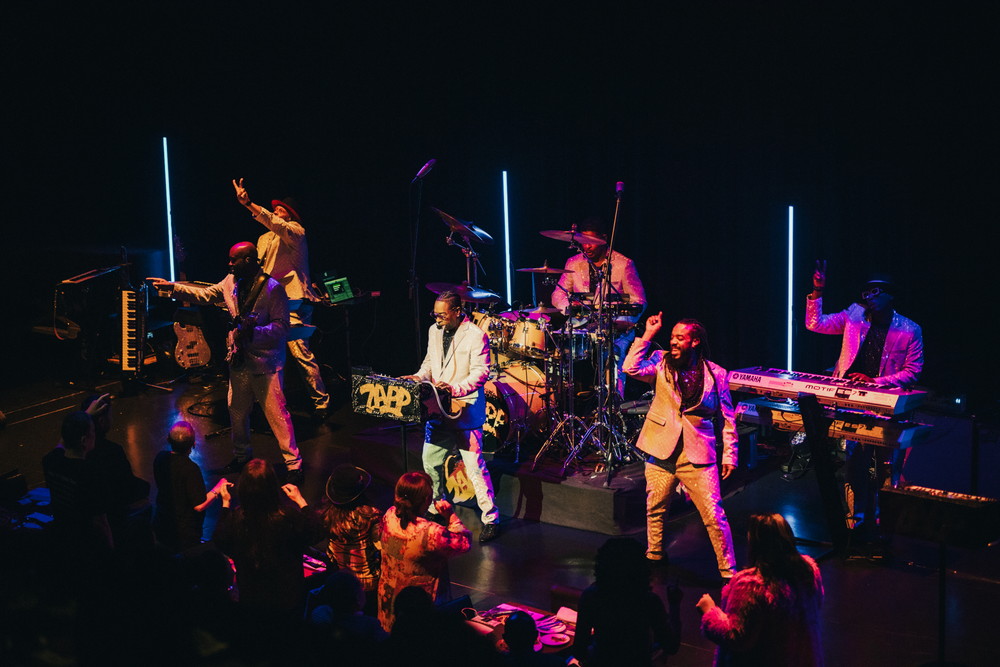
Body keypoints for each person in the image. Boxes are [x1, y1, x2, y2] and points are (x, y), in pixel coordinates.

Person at [150, 242, 303, 483]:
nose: (229, 264)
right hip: (239, 360)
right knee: (237, 412)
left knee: (277, 416)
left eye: (234, 260)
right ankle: (242, 456)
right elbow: (206, 295)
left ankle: (294, 465)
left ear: (249, 260)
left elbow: (282, 327)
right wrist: (173, 288)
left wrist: (253, 333)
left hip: (265, 363)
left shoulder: (273, 289)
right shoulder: (230, 281)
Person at [805, 262, 924, 532]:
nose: (869, 297)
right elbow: (815, 324)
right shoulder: (854, 315)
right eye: (866, 292)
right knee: (855, 464)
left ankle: (886, 522)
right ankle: (855, 523)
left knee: (888, 467)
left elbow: (912, 371)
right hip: (854, 402)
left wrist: (876, 382)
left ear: (890, 295)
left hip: (888, 406)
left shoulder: (909, 329)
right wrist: (817, 290)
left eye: (876, 292)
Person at [623, 315, 738, 578]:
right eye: (672, 337)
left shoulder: (716, 374)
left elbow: (727, 417)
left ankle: (729, 570)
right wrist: (648, 334)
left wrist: (730, 455)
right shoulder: (660, 361)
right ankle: (654, 555)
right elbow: (630, 368)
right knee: (655, 506)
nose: (673, 342)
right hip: (661, 449)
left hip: (698, 453)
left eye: (680, 338)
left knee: (714, 514)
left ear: (695, 342)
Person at [401, 290, 501, 543]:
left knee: (474, 467)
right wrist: (417, 377)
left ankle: (491, 518)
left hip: (464, 410)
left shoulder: (476, 335)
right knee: (430, 462)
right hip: (438, 409)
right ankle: (437, 506)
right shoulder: (434, 330)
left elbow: (481, 373)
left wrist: (454, 389)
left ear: (457, 311)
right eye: (435, 314)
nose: (438, 319)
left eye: (442, 315)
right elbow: (429, 363)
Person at [232, 179, 331, 419]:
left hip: (294, 300)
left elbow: (274, 222)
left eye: (281, 209)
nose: (276, 211)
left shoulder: (296, 232)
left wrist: (249, 204)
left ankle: (321, 401)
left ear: (291, 215)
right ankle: (268, 402)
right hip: (271, 300)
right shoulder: (264, 239)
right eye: (275, 208)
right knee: (266, 352)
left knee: (300, 352)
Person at [697, 513, 824, 666]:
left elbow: (737, 637)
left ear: (756, 543)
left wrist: (709, 611)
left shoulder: (751, 585)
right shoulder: (809, 571)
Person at [212, 458, 323, 616]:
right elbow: (316, 533)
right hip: (288, 596)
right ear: (272, 486)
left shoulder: (235, 519)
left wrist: (225, 504)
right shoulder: (288, 517)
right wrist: (301, 501)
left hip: (252, 596)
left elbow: (220, 541)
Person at [550, 217, 647, 396]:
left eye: (591, 242)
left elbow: (638, 301)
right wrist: (573, 310)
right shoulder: (573, 263)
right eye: (583, 242)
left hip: (615, 331)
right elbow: (557, 295)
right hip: (581, 328)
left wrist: (620, 323)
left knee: (612, 354)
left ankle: (613, 402)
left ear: (603, 239)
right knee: (559, 350)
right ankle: (570, 401)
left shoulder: (623, 264)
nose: (586, 247)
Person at [377, 472, 471, 631]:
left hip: (389, 600)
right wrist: (450, 516)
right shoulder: (431, 533)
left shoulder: (390, 515)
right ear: (427, 500)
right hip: (418, 608)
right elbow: (464, 542)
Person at [571, 537, 682, 667]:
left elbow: (579, 651)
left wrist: (595, 651)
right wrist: (674, 605)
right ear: (640, 568)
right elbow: (671, 647)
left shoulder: (590, 596)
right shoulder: (649, 601)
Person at [80, 393, 151, 550]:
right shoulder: (111, 451)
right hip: (114, 518)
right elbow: (126, 488)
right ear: (102, 421)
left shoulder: (73, 453)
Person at [42, 411, 113, 556]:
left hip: (63, 534)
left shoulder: (50, 460)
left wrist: (85, 415)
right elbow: (100, 523)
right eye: (93, 431)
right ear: (84, 440)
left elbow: (62, 443)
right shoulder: (90, 473)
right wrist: (111, 551)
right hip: (86, 542)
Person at [152, 421, 225, 552]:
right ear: (193, 444)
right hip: (183, 533)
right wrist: (217, 489)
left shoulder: (160, 458)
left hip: (162, 522)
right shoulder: (190, 469)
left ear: (168, 439)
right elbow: (199, 505)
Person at [322, 462, 382, 614]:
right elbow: (380, 546)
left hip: (339, 578)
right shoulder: (370, 516)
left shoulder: (326, 515)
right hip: (367, 582)